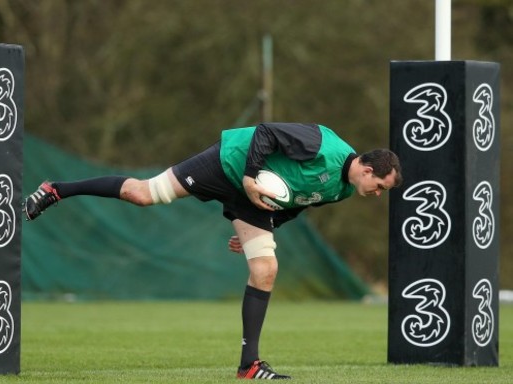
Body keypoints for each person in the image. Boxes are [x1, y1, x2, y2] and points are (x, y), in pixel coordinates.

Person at [23, 122, 402, 380]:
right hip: (229, 163)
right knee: (142, 194)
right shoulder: (325, 145)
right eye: (380, 186)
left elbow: (298, 201)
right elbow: (266, 133)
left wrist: (263, 226)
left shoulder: (343, 189)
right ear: (367, 168)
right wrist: (251, 178)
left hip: (254, 197)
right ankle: (56, 189)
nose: (376, 195)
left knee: (265, 268)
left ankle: (249, 365)